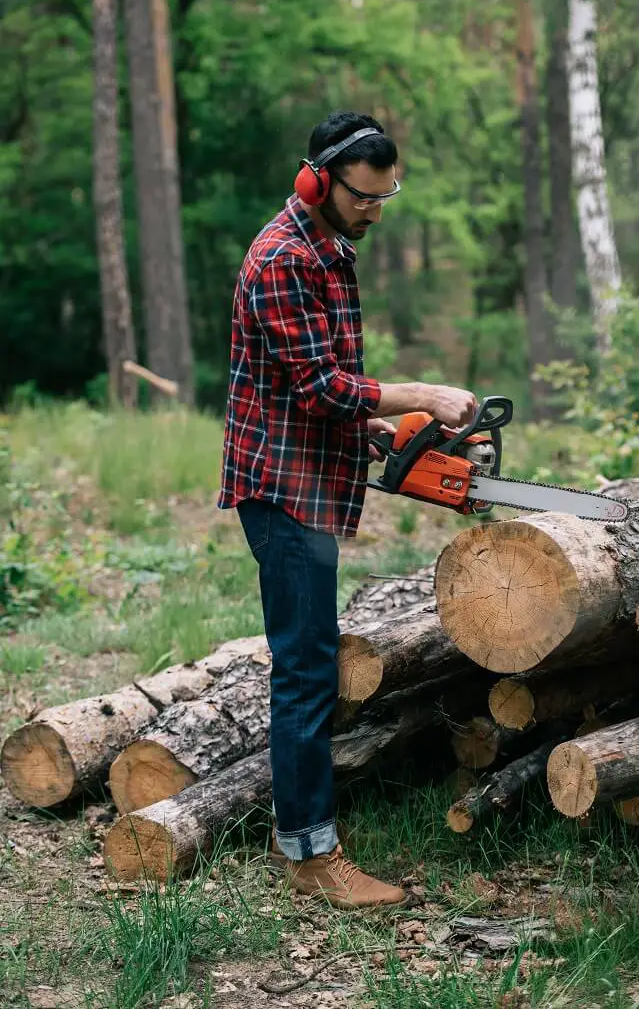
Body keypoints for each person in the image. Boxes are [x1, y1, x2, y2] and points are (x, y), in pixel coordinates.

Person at [219, 111, 477, 908]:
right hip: (281, 485)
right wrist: (420, 394)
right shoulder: (282, 260)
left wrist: (375, 426)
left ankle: (305, 831)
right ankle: (309, 856)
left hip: (312, 474)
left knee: (311, 664)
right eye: (364, 197)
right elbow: (319, 386)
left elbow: (325, 388)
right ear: (318, 180)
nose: (374, 210)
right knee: (304, 671)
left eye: (384, 196)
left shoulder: (330, 247)